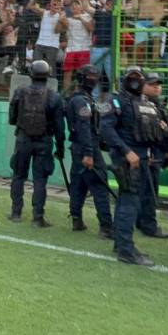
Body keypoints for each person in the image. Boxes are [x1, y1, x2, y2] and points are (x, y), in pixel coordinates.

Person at [101, 65, 166, 267]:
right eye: (132, 77)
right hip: (127, 160)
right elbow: (105, 129)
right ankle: (126, 250)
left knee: (127, 201)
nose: (136, 80)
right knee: (129, 202)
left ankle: (121, 244)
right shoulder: (114, 101)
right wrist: (127, 151)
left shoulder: (146, 102)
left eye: (139, 77)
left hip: (143, 159)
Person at [7, 60, 66, 227]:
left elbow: (12, 118)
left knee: (18, 176)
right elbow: (60, 127)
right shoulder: (54, 96)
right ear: (48, 75)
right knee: (40, 180)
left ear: (30, 74)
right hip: (44, 141)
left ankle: (16, 212)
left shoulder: (19, 92)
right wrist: (60, 147)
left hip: (23, 139)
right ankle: (37, 217)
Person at [64, 64, 113, 238]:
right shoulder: (81, 101)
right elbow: (84, 128)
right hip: (86, 147)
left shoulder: (82, 99)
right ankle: (106, 227)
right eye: (90, 76)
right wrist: (89, 153)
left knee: (79, 184)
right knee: (99, 187)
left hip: (80, 148)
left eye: (95, 76)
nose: (93, 79)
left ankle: (77, 219)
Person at [139, 73, 168, 240]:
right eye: (152, 84)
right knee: (148, 190)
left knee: (147, 190)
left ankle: (141, 221)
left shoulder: (159, 105)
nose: (156, 86)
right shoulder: (141, 105)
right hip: (148, 153)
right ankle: (149, 225)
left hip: (157, 152)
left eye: (158, 84)